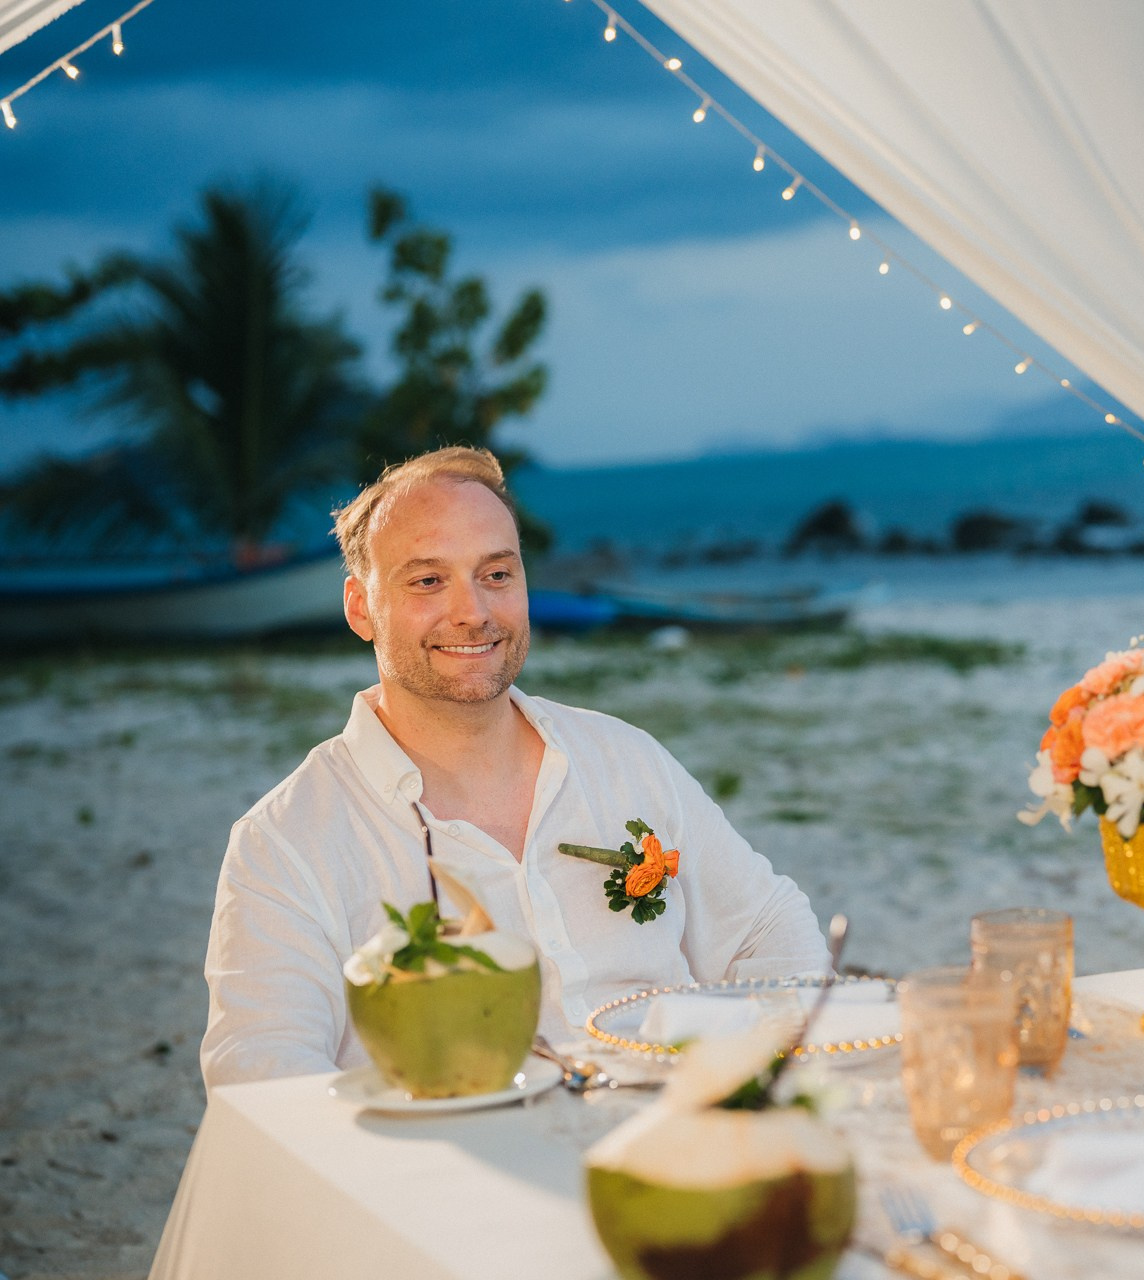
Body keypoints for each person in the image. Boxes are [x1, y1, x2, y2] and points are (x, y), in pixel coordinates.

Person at [199, 447, 828, 1088]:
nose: (473, 611)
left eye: (496, 574)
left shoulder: (626, 760)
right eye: (427, 581)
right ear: (361, 608)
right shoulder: (285, 841)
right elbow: (262, 1072)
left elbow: (768, 929)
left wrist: (763, 1076)